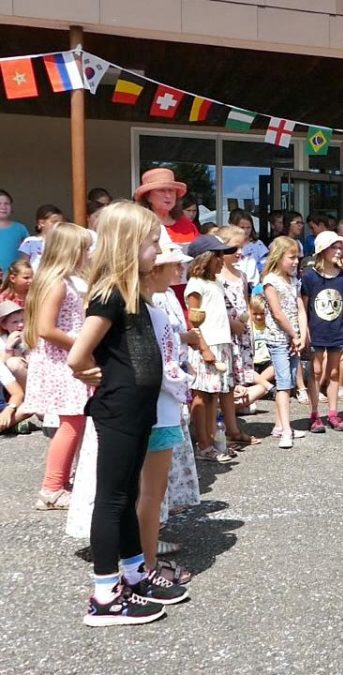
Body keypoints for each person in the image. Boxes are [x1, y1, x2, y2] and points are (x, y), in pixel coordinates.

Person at [68, 201, 188, 626]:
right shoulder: (110, 294)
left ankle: (135, 576)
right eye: (153, 243)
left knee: (127, 497)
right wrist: (89, 371)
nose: (159, 251)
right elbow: (78, 355)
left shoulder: (133, 291)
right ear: (128, 245)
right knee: (112, 498)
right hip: (119, 408)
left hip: (138, 410)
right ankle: (104, 595)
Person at [22, 223, 92, 510]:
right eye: (84, 249)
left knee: (76, 421)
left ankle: (63, 480)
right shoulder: (57, 282)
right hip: (61, 360)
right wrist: (81, 344)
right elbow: (46, 328)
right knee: (72, 422)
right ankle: (51, 487)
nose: (89, 254)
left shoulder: (70, 280)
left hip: (68, 357)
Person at [140, 247, 195, 582]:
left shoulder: (154, 305)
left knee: (149, 493)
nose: (177, 268)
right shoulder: (150, 310)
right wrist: (183, 383)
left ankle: (143, 561)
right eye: (171, 264)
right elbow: (162, 365)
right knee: (149, 493)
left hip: (159, 408)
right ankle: (146, 568)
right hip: (156, 409)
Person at [185, 235, 238, 464]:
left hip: (221, 343)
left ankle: (214, 440)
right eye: (217, 255)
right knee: (201, 395)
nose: (221, 260)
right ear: (205, 258)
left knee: (213, 395)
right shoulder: (195, 284)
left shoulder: (214, 282)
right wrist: (204, 348)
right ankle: (203, 444)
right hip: (206, 344)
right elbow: (193, 321)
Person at [301, 230, 343, 433]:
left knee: (333, 371)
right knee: (316, 371)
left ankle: (333, 412)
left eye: (340, 247)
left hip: (336, 329)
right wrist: (305, 331)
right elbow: (303, 307)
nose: (339, 251)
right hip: (316, 330)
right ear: (322, 250)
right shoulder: (309, 276)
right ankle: (315, 413)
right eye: (334, 247)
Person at [217, 226, 262, 448]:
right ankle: (222, 429)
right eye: (233, 248)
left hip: (241, 336)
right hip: (223, 335)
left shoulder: (242, 274)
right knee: (223, 384)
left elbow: (244, 302)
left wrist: (247, 325)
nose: (239, 252)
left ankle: (230, 428)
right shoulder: (215, 276)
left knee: (234, 382)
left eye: (241, 247)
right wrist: (230, 323)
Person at [262, 236, 308, 448]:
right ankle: (286, 430)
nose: (296, 261)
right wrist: (294, 334)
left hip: (293, 339)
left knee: (288, 380)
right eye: (291, 257)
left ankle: (280, 425)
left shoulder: (293, 281)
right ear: (279, 257)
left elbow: (300, 308)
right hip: (280, 338)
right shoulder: (271, 280)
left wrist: (302, 333)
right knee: (283, 383)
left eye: (297, 257)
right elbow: (277, 313)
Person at [134, 168, 199, 245]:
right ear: (148, 196)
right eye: (161, 190)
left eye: (171, 191)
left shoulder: (188, 226)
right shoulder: (138, 226)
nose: (168, 196)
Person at [18, 204, 65, 271]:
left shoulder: (63, 241)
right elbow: (24, 264)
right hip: (35, 278)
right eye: (54, 222)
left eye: (60, 223)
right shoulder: (30, 241)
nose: (58, 225)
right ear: (41, 223)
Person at [231, 209, 268, 284]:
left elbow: (265, 266)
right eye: (242, 227)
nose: (245, 230)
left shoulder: (258, 244)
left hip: (253, 285)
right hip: (235, 283)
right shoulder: (229, 245)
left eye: (248, 227)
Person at [0, 189, 30, 274]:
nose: (3, 207)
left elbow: (27, 254)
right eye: (0, 204)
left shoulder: (20, 229)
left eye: (6, 204)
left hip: (13, 277)